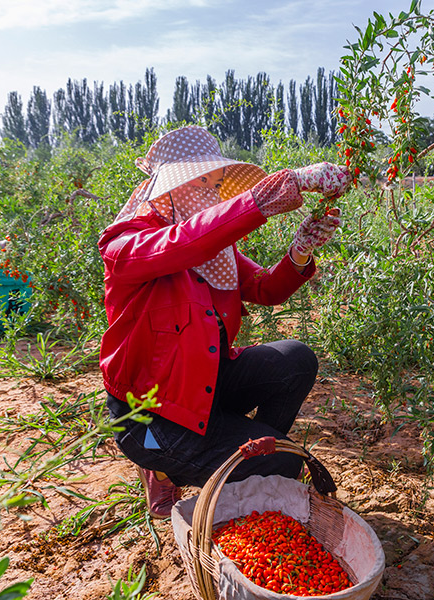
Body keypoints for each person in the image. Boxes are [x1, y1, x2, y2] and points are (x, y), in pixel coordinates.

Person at [98, 125, 350, 518]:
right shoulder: (126, 247)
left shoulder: (214, 252)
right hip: (151, 415)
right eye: (201, 183)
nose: (211, 195)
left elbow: (266, 289)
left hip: (201, 387)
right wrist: (280, 189)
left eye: (215, 186)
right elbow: (181, 244)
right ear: (167, 188)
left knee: (294, 360)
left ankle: (252, 452)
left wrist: (300, 251)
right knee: (281, 466)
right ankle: (171, 464)